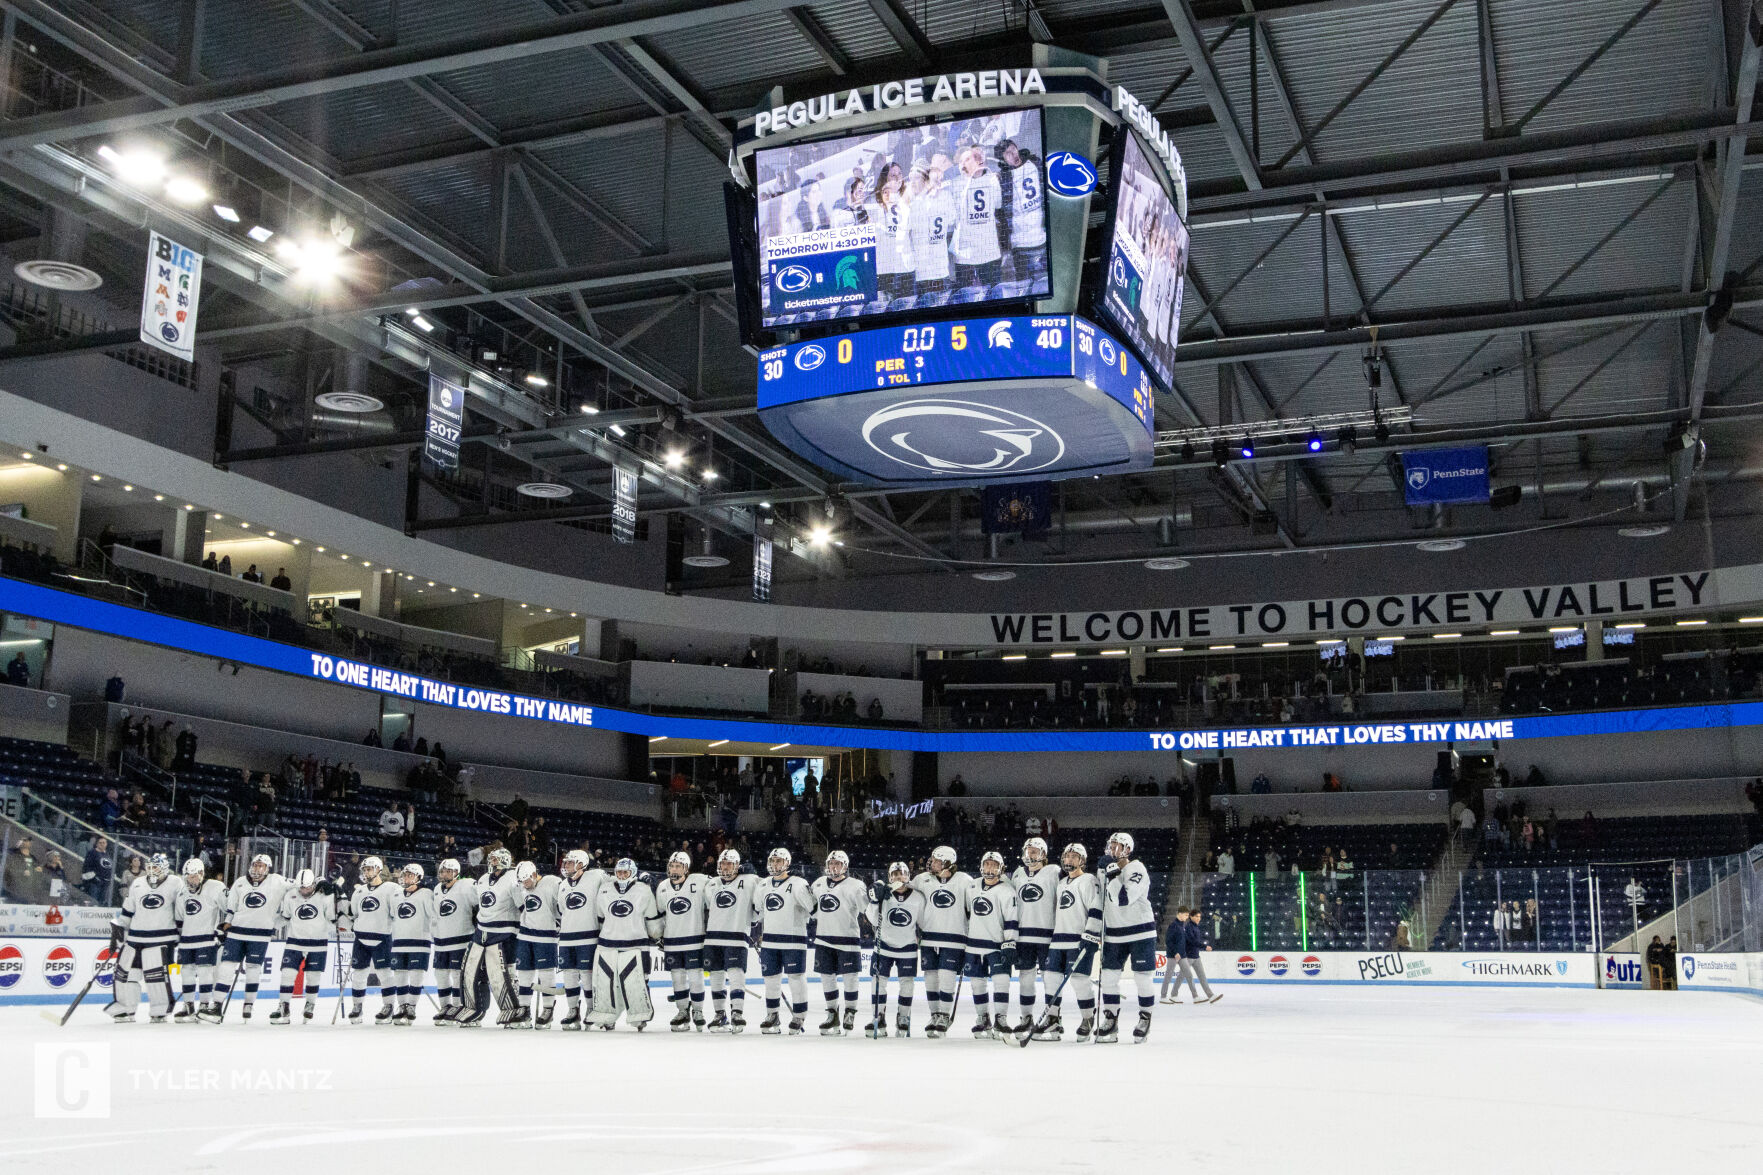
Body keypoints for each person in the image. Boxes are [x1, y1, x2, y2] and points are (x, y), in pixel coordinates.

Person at [206, 853, 287, 1022]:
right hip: (237, 932)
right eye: (255, 864)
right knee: (226, 967)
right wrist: (226, 924)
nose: (257, 868)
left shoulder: (277, 881)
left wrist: (320, 883)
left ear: (267, 868)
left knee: (253, 969)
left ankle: (248, 1004)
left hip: (260, 935)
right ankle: (217, 1005)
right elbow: (231, 907)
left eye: (261, 865)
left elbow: (298, 887)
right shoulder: (241, 882)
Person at [107, 853, 182, 1023]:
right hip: (135, 938)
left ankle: (159, 1009)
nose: (151, 870)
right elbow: (128, 910)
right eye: (149, 867)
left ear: (164, 867)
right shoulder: (138, 883)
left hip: (162, 938)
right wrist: (119, 926)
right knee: (127, 974)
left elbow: (181, 911)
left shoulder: (175, 883)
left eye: (155, 867)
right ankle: (126, 1008)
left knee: (155, 976)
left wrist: (182, 934)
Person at [1097, 832, 1157, 1043]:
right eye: (1110, 845)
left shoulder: (1137, 868)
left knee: (1142, 977)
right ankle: (1110, 1018)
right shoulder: (1103, 871)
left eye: (1117, 846)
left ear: (1128, 850)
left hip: (1140, 931)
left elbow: (1123, 899)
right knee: (1109, 978)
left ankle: (1144, 1018)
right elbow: (1101, 902)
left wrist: (1112, 872)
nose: (1112, 849)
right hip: (1114, 932)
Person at [1035, 843, 1099, 1041]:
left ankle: (1088, 1019)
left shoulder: (1089, 880)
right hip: (1057, 941)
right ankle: (1053, 1019)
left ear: (1082, 860)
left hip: (1078, 940)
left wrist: (1090, 935)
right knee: (1051, 979)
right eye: (1066, 856)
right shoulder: (1062, 883)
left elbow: (1096, 909)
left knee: (1080, 981)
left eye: (1073, 856)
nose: (1069, 860)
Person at [591, 857, 661, 1030]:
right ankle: (608, 1015)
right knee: (607, 982)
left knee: (637, 981)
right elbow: (600, 917)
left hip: (636, 944)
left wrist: (657, 934)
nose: (622, 876)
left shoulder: (643, 890)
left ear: (633, 873)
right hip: (607, 943)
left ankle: (639, 1015)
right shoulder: (605, 889)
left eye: (626, 872)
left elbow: (651, 917)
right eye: (619, 872)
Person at [912, 844, 973, 1039]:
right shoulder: (923, 879)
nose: (932, 862)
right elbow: (905, 892)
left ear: (947, 862)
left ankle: (945, 1015)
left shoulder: (964, 880)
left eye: (937, 860)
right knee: (930, 978)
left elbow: (974, 909)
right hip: (929, 937)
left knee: (947, 978)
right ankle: (935, 1015)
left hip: (955, 939)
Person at [751, 847, 814, 1035]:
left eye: (779, 861)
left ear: (787, 863)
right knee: (770, 980)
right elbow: (759, 913)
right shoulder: (763, 885)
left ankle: (799, 1014)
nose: (775, 864)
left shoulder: (799, 884)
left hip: (794, 940)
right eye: (773, 861)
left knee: (795, 978)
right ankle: (772, 1015)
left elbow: (813, 910)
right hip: (770, 941)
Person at [457, 847, 520, 1027]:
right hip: (481, 932)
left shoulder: (513, 878)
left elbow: (521, 905)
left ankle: (513, 1010)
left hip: (505, 933)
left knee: (504, 974)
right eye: (491, 859)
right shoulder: (484, 878)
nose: (492, 862)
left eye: (495, 859)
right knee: (473, 971)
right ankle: (475, 1009)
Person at [809, 850, 870, 1035]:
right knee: (827, 978)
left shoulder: (856, 885)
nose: (833, 867)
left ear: (845, 866)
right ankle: (832, 1013)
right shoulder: (818, 883)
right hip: (823, 938)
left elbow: (867, 910)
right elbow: (812, 909)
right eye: (831, 863)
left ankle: (850, 1012)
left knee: (850, 978)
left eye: (837, 863)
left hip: (848, 939)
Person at [963, 851, 1019, 1039]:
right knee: (977, 984)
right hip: (973, 946)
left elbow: (1011, 919)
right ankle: (982, 1018)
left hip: (996, 945)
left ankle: (1000, 1018)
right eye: (987, 864)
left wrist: (1010, 942)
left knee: (1001, 982)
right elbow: (967, 914)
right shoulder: (971, 886)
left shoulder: (1007, 890)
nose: (990, 868)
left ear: (1001, 868)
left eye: (994, 865)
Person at [867, 860, 926, 1037]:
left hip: (907, 947)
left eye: (902, 874)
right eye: (895, 875)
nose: (899, 877)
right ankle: (879, 1016)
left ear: (908, 876)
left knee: (907, 984)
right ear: (890, 877)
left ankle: (903, 1016)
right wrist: (874, 899)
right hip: (883, 946)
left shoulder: (918, 897)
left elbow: (923, 923)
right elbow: (871, 918)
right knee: (878, 982)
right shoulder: (882, 893)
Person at [270, 868, 337, 1024]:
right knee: (287, 974)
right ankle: (283, 1007)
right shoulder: (291, 895)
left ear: (313, 884)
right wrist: (271, 928)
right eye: (301, 888)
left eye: (307, 887)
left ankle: (310, 1004)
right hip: (295, 941)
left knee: (313, 976)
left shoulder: (324, 896)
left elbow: (332, 919)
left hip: (318, 942)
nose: (304, 891)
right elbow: (285, 917)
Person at [703, 849, 756, 1033]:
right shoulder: (712, 884)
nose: (725, 867)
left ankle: (737, 1012)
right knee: (716, 976)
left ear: (737, 865)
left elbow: (766, 890)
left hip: (736, 935)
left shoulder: (748, 880)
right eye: (722, 863)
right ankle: (720, 1014)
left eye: (729, 864)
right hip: (713, 937)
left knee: (736, 974)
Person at [1008, 836, 1059, 1033]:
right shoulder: (1019, 873)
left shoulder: (1053, 871)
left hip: (1048, 935)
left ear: (1043, 854)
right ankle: (1026, 1017)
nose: (1030, 855)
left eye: (1034, 851)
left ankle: (1053, 1018)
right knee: (1025, 978)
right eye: (1028, 851)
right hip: (1023, 936)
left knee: (1050, 978)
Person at [655, 851, 710, 1032]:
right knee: (677, 978)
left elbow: (720, 886)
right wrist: (659, 935)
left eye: (678, 866)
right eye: (672, 865)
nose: (674, 868)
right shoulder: (662, 887)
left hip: (695, 939)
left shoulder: (700, 881)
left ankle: (698, 1011)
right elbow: (662, 915)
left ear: (686, 868)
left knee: (695, 977)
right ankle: (682, 1011)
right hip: (672, 941)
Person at [553, 849, 606, 1030]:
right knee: (569, 975)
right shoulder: (562, 885)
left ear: (581, 864)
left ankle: (591, 1009)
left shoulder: (595, 877)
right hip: (566, 937)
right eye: (566, 862)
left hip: (588, 936)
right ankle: (572, 1010)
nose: (566, 865)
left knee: (587, 975)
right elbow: (562, 910)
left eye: (570, 862)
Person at [173, 858, 227, 1021]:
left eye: (195, 876)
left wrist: (222, 928)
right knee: (186, 973)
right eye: (189, 876)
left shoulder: (216, 887)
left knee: (205, 973)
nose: (192, 879)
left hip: (207, 938)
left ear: (202, 874)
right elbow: (180, 919)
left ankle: (203, 1006)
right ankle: (188, 1006)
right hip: (187, 940)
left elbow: (228, 907)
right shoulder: (182, 893)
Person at [510, 861, 561, 1027]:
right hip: (525, 935)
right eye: (522, 882)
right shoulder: (522, 887)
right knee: (524, 973)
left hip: (546, 936)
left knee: (546, 974)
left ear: (533, 874)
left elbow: (563, 905)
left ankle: (548, 1009)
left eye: (526, 880)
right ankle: (524, 1008)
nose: (525, 884)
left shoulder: (552, 882)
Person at [429, 858, 479, 1023]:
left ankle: (458, 1006)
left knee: (458, 974)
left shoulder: (467, 885)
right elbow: (436, 914)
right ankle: (445, 1007)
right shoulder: (437, 889)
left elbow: (479, 905)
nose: (445, 874)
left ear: (457, 872)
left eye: (449, 871)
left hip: (461, 939)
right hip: (442, 940)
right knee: (441, 974)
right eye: (443, 871)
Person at [389, 862, 436, 1026]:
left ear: (419, 877)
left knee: (416, 974)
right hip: (399, 941)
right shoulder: (396, 895)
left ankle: (412, 1007)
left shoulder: (426, 893)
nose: (406, 878)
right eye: (405, 875)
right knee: (400, 976)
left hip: (420, 941)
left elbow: (433, 915)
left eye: (410, 875)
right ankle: (401, 1006)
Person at [81, 835, 113, 902]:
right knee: (93, 902)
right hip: (95, 883)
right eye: (100, 843)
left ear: (106, 844)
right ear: (96, 844)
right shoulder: (92, 853)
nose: (102, 844)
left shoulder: (107, 854)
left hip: (105, 883)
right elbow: (86, 866)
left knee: (101, 903)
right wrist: (95, 878)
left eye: (104, 843)